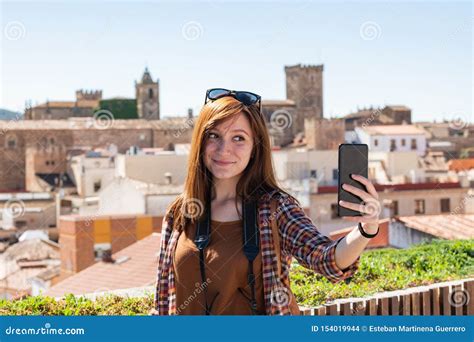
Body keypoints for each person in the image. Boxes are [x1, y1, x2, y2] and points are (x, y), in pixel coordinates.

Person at [151, 88, 380, 315]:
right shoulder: (180, 212)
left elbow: (325, 258)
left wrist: (366, 229)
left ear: (255, 148)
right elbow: (163, 298)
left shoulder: (276, 208)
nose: (224, 149)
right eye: (214, 135)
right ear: (200, 141)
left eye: (238, 138)